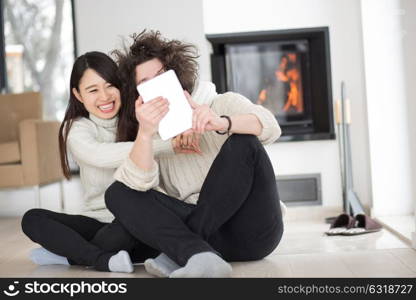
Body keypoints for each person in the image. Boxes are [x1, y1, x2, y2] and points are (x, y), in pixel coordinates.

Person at [105, 30, 285, 278]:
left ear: (176, 76)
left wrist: (222, 123)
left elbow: (271, 127)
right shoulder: (152, 138)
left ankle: (180, 255)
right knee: (118, 192)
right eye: (146, 82)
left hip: (253, 231)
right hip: (209, 241)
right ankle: (198, 255)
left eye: (161, 75)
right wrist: (145, 134)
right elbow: (138, 187)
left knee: (244, 142)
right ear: (138, 95)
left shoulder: (221, 104)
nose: (157, 85)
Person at [20, 51, 204, 273]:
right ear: (78, 95)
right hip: (96, 220)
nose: (104, 96)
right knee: (32, 219)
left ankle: (74, 256)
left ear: (120, 86)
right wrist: (170, 145)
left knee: (125, 230)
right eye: (93, 90)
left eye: (110, 86)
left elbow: (202, 92)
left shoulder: (141, 116)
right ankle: (102, 258)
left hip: (134, 220)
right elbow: (100, 154)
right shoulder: (77, 129)